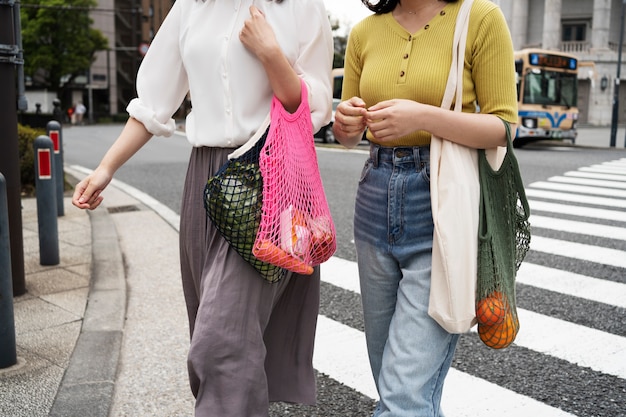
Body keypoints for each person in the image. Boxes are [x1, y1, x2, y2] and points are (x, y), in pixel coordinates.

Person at [71, 1, 333, 416]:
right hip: (205, 182)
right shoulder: (191, 7)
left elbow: (312, 108)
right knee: (216, 338)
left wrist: (270, 54)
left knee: (220, 342)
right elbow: (155, 101)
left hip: (271, 179)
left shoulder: (299, 7)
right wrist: (106, 168)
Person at [332, 0, 518, 415]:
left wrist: (423, 117)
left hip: (441, 203)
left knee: (403, 394)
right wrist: (345, 122)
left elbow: (504, 128)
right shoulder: (365, 31)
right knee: (393, 381)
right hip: (374, 197)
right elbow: (347, 136)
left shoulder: (480, 18)